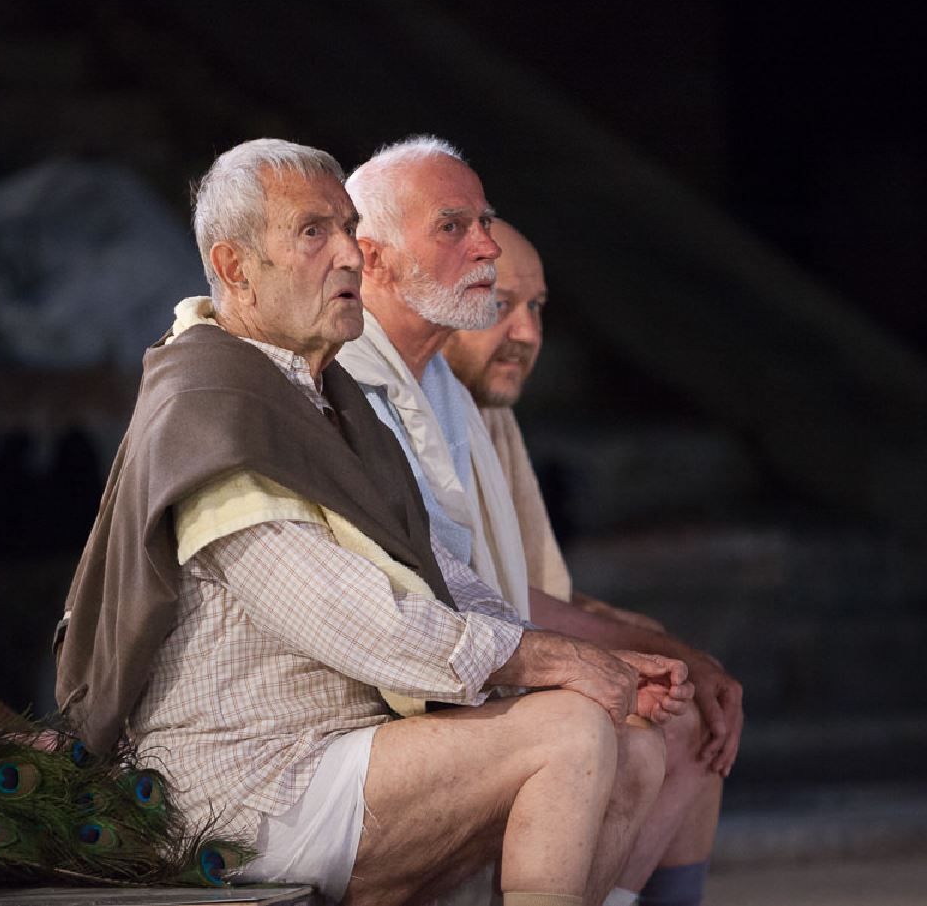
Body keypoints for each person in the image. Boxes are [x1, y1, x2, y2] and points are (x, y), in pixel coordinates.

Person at [55, 138, 692, 906]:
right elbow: (360, 622)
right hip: (245, 781)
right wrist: (554, 662)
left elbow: (439, 575)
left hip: (347, 753)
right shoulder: (213, 410)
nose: (348, 255)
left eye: (348, 228)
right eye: (312, 232)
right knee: (567, 730)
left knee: (632, 746)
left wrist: (589, 663)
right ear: (234, 268)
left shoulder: (324, 394)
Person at [338, 137, 742, 906]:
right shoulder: (338, 386)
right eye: (453, 228)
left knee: (670, 713)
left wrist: (643, 651)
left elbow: (488, 591)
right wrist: (585, 662)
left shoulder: (445, 396)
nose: (484, 249)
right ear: (373, 258)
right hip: (360, 727)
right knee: (611, 734)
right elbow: (425, 606)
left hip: (462, 677)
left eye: (534, 307)